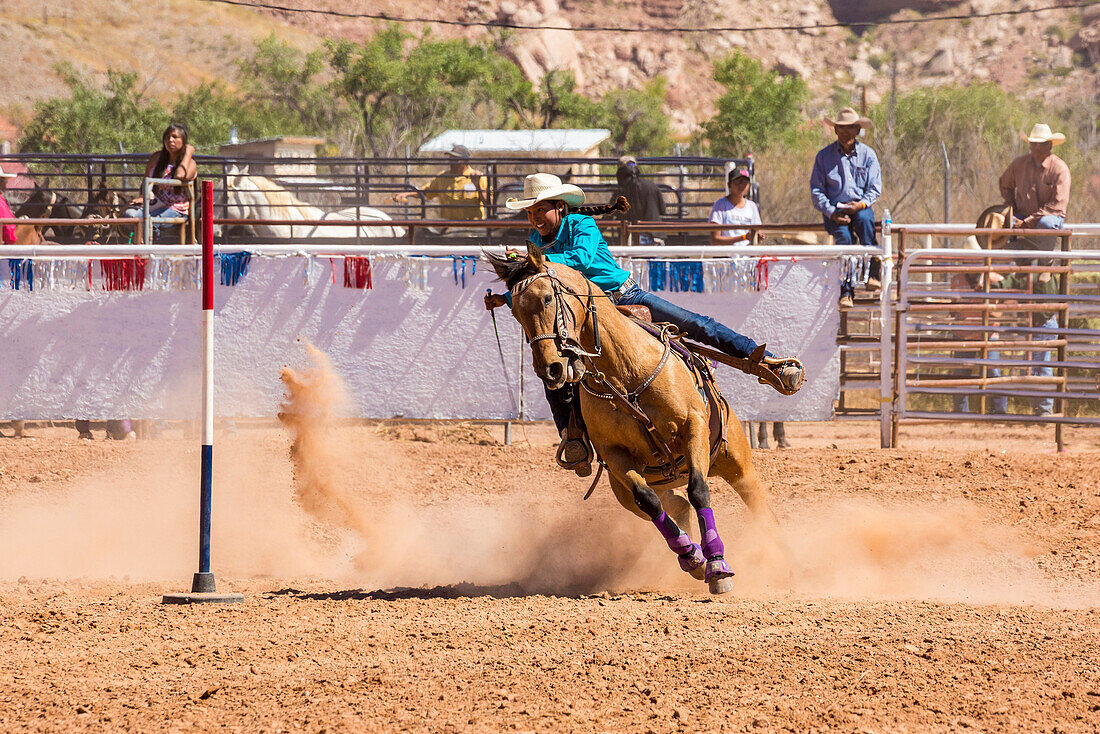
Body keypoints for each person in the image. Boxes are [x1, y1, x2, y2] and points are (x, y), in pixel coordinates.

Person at [484, 173, 804, 475]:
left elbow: (579, 260)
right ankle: (572, 436)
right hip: (585, 317)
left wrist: (534, 260)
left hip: (623, 297)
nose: (534, 218)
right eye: (530, 212)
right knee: (552, 361)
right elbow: (542, 289)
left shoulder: (581, 225)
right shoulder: (535, 242)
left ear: (559, 207)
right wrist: (506, 298)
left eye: (539, 209)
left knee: (695, 324)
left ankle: (765, 362)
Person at [987, 123, 1072, 417]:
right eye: (1035, 143)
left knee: (1042, 324)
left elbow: (1056, 211)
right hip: (1026, 242)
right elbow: (1004, 183)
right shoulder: (1019, 165)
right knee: (1037, 326)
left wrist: (1026, 222)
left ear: (1050, 145)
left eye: (1042, 144)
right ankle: (1038, 406)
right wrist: (1012, 210)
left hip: (1040, 244)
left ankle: (1041, 406)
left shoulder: (1059, 170)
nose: (1038, 148)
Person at [810, 107, 883, 308]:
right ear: (835, 131)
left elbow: (875, 188)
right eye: (841, 128)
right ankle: (846, 290)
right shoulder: (824, 157)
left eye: (850, 128)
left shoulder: (868, 155)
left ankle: (873, 272)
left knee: (866, 221)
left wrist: (860, 204)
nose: (845, 132)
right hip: (835, 210)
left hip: (859, 206)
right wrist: (832, 212)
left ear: (858, 130)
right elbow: (816, 190)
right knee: (844, 241)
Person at [123, 123, 196, 244]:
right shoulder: (156, 158)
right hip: (156, 203)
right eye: (167, 137)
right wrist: (142, 197)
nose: (170, 140)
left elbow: (179, 175)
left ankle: (151, 249)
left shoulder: (190, 163)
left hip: (176, 208)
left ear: (183, 141)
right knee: (130, 214)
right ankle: (135, 245)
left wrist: (188, 153)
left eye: (174, 137)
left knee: (151, 221)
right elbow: (146, 180)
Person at [392, 144, 488, 225]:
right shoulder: (442, 177)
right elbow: (426, 192)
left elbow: (489, 203)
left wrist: (478, 186)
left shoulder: (477, 177)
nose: (451, 163)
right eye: (450, 159)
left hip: (472, 226)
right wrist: (406, 194)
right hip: (447, 226)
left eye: (456, 160)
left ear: (465, 161)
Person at [611, 155, 665, 246]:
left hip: (634, 238)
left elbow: (609, 214)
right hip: (656, 236)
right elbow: (663, 210)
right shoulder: (652, 185)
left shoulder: (621, 192)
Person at [708, 167, 761, 246]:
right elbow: (715, 240)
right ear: (729, 184)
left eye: (744, 182)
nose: (741, 185)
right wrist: (744, 237)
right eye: (737, 182)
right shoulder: (720, 205)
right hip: (726, 256)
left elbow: (757, 234)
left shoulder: (752, 206)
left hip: (747, 256)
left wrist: (758, 237)